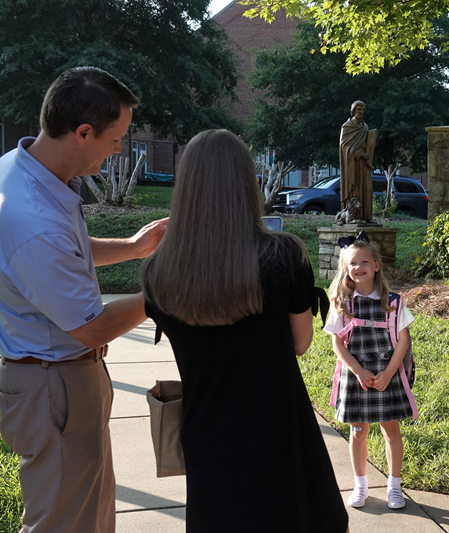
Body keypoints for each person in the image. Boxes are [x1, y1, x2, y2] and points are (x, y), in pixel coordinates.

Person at [0, 66, 168, 533]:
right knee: (65, 524)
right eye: (115, 139)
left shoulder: (20, 166)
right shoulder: (30, 218)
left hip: (57, 380)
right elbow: (94, 327)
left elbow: (65, 251)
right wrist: (169, 291)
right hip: (53, 386)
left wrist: (134, 247)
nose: (119, 149)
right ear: (83, 133)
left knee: (90, 516)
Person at [140, 129, 349, 533]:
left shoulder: (158, 272)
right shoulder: (285, 255)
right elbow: (301, 343)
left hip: (207, 433)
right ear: (246, 184)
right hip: (278, 432)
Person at [324, 232, 416, 510]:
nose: (358, 267)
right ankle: (360, 486)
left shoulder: (393, 302)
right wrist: (357, 371)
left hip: (386, 373)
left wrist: (388, 373)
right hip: (357, 377)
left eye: (364, 261)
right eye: (352, 263)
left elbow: (403, 341)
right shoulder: (342, 303)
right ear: (346, 268)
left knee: (391, 431)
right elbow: (337, 343)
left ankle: (394, 487)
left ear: (377, 265)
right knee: (358, 431)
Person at [339, 100, 376, 222]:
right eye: (358, 109)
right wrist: (359, 154)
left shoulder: (365, 127)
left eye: (363, 110)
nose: (361, 112)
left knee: (367, 188)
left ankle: (367, 216)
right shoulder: (347, 127)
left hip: (364, 163)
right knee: (355, 189)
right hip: (352, 163)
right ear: (353, 111)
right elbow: (344, 147)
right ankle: (353, 216)